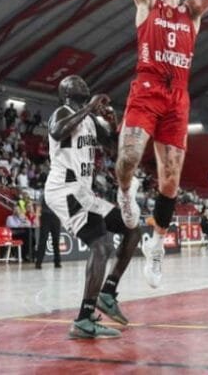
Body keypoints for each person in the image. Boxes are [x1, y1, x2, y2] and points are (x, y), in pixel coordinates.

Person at [113, 0, 208, 289]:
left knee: (171, 180)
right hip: (147, 89)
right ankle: (125, 193)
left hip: (178, 97)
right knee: (129, 156)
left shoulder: (191, 13)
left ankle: (156, 244)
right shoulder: (147, 3)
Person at [45, 75, 144, 339]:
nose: (83, 83)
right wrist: (90, 106)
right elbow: (57, 131)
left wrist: (113, 123)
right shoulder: (62, 112)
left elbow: (113, 145)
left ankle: (107, 293)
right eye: (76, 82)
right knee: (101, 246)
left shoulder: (89, 120)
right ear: (66, 92)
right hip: (64, 189)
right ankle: (84, 320)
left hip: (84, 192)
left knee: (133, 228)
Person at [35, 204, 63, 270]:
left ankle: (57, 262)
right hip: (45, 216)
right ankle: (38, 262)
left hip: (56, 216)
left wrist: (62, 218)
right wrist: (37, 218)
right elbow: (39, 206)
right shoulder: (44, 197)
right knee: (43, 240)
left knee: (56, 240)